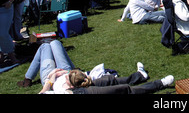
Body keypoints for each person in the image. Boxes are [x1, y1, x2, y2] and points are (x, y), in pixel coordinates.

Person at [16, 40, 174, 94]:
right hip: (71, 85)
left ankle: (28, 78)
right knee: (122, 88)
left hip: (59, 76)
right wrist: (55, 81)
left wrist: (50, 81)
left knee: (51, 44)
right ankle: (159, 83)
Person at [0, 0, 22, 67]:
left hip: (5, 8)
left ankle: (11, 55)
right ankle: (2, 56)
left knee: (3, 33)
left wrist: (10, 0)